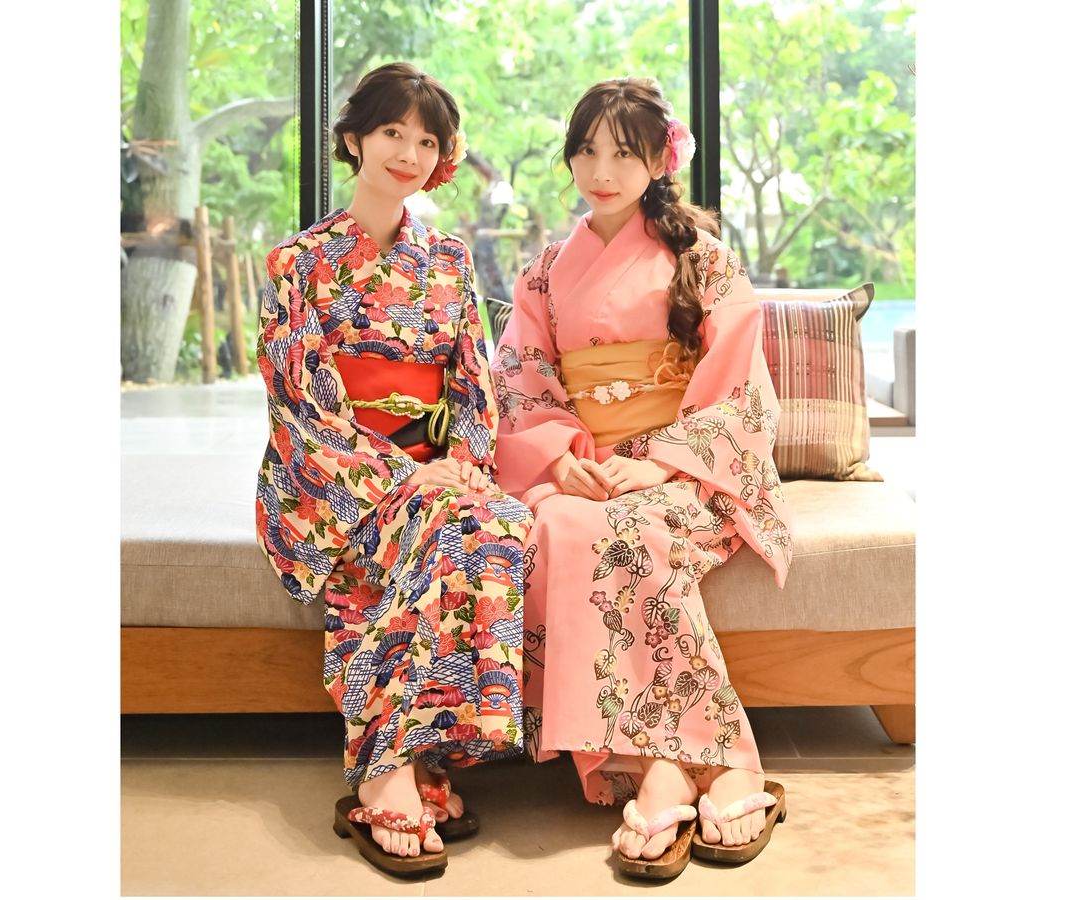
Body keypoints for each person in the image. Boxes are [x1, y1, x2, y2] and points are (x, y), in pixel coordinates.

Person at [491, 77, 793, 878]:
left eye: (624, 154)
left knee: (627, 534)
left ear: (660, 160)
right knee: (555, 525)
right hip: (583, 464)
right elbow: (521, 377)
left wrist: (656, 460)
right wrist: (560, 457)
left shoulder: (704, 260)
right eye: (587, 151)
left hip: (683, 466)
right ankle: (656, 762)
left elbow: (739, 391)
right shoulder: (544, 273)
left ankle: (703, 759)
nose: (601, 171)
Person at [254, 61, 532, 875]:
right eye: (391, 133)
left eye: (427, 141)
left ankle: (420, 755)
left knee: (500, 521)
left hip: (432, 473)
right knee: (442, 521)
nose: (409, 153)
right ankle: (387, 771)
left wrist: (463, 464)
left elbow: (473, 380)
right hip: (330, 480)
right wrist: (409, 479)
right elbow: (300, 404)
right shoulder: (299, 262)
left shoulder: (447, 258)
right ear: (353, 140)